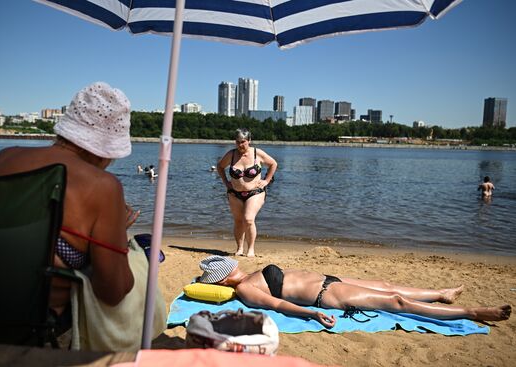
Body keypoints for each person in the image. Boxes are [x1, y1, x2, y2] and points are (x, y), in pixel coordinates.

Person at [0, 82, 139, 316]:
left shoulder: (4, 157)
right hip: (30, 319)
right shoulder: (103, 187)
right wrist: (117, 232)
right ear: (108, 151)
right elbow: (113, 293)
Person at [198, 255, 512, 328]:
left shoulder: (249, 274)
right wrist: (312, 313)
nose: (234, 266)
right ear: (224, 278)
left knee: (388, 285)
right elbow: (279, 305)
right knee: (396, 301)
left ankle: (441, 293)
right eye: (229, 268)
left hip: (329, 278)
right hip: (327, 296)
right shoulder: (245, 291)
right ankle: (472, 312)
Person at [216, 128, 277, 257]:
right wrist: (226, 182)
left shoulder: (257, 153)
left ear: (249, 141)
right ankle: (239, 248)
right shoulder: (231, 155)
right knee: (238, 221)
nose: (240, 145)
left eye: (243, 142)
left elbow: (273, 164)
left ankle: (251, 250)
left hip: (255, 192)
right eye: (238, 142)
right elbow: (220, 166)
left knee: (248, 219)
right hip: (234, 193)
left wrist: (266, 180)